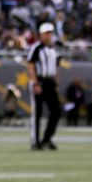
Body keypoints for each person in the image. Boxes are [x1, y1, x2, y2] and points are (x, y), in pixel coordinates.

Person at [26, 22, 62, 150]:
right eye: (47, 33)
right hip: (39, 81)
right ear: (41, 35)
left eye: (50, 33)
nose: (49, 35)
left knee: (56, 111)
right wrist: (35, 82)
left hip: (50, 82)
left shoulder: (54, 49)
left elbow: (56, 67)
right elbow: (30, 66)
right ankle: (35, 141)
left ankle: (46, 138)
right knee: (37, 113)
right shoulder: (36, 48)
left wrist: (56, 83)